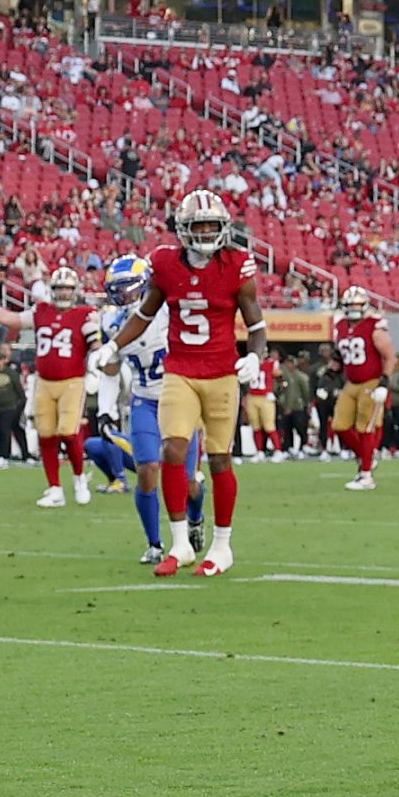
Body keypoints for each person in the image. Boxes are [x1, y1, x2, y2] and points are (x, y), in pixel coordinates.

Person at [102, 190, 263, 578]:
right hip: (180, 370)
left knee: (220, 457)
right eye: (199, 226)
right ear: (183, 229)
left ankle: (221, 547)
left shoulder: (237, 265)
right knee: (172, 450)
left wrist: (256, 355)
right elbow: (145, 312)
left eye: (212, 226)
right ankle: (180, 545)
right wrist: (113, 345)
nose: (206, 233)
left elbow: (256, 323)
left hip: (222, 372)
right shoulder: (165, 264)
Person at [98, 255, 207, 565]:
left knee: (187, 483)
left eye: (130, 289)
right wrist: (105, 410)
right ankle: (154, 544)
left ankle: (196, 518)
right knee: (147, 471)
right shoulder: (111, 321)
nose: (124, 296)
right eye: (118, 290)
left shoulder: (168, 310)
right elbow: (110, 370)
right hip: (145, 399)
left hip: (180, 398)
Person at [0, 264, 99, 508]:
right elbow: (11, 319)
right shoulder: (41, 311)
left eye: (67, 288)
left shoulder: (85, 314)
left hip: (72, 382)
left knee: (68, 432)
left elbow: (95, 344)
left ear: (74, 290)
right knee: (46, 435)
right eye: (60, 288)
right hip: (44, 382)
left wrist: (96, 362)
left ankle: (79, 479)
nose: (63, 293)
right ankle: (55, 489)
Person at [328, 286, 396, 489]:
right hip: (351, 382)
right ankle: (366, 457)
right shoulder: (340, 326)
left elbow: (390, 357)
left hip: (371, 382)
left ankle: (366, 476)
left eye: (357, 305)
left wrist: (384, 382)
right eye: (350, 305)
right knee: (339, 425)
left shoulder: (374, 326)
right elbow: (340, 355)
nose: (353, 309)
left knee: (365, 428)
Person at [241, 347, 281, 459]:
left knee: (269, 426)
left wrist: (274, 392)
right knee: (255, 426)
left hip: (265, 397)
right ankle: (259, 451)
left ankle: (278, 451)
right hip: (252, 396)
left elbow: (280, 379)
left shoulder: (272, 364)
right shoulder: (249, 364)